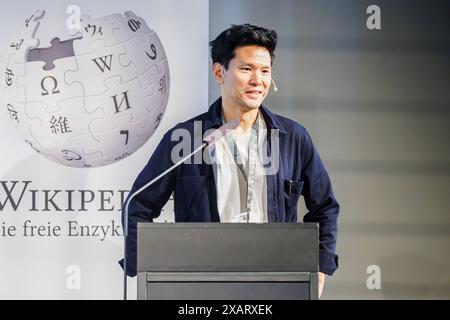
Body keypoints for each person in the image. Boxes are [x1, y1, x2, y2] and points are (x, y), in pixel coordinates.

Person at [120, 24, 339, 297]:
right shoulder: (186, 139)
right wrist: (150, 268)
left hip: (276, 280)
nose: (257, 80)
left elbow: (325, 208)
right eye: (246, 69)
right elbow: (138, 204)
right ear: (219, 72)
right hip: (203, 284)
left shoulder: (292, 137)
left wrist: (319, 269)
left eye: (265, 71)